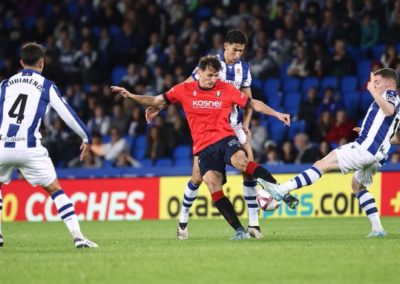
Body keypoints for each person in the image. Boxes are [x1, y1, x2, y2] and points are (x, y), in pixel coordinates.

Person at [111, 55, 295, 240]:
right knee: (212, 184)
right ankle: (240, 231)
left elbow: (252, 103)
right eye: (209, 75)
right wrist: (131, 96)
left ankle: (279, 190)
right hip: (203, 147)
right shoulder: (184, 89)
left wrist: (277, 113)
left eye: (215, 75)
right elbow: (157, 100)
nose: (212, 80)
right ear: (199, 73)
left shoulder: (226, 88)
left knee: (242, 162)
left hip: (225, 138)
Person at [146, 29, 280, 240]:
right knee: (198, 178)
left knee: (248, 169)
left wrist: (246, 125)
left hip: (233, 126)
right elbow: (184, 88)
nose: (238, 55)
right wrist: (159, 106)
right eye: (235, 50)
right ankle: (182, 222)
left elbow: (249, 100)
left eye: (241, 51)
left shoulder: (243, 69)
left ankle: (254, 226)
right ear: (225, 46)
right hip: (208, 129)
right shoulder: (210, 65)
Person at [262, 68, 400, 237]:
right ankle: (378, 229)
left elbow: (389, 110)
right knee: (357, 187)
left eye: (377, 82)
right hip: (378, 156)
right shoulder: (394, 105)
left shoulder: (390, 95)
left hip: (365, 149)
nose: (374, 86)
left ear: (388, 83)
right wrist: (368, 130)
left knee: (322, 165)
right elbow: (394, 137)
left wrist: (372, 91)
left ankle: (281, 190)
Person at [0, 42, 97, 248]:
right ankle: (78, 237)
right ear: (42, 63)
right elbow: (68, 116)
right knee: (55, 189)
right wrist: (86, 137)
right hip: (29, 147)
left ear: (21, 62)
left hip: (2, 146)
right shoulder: (46, 85)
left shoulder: (5, 85)